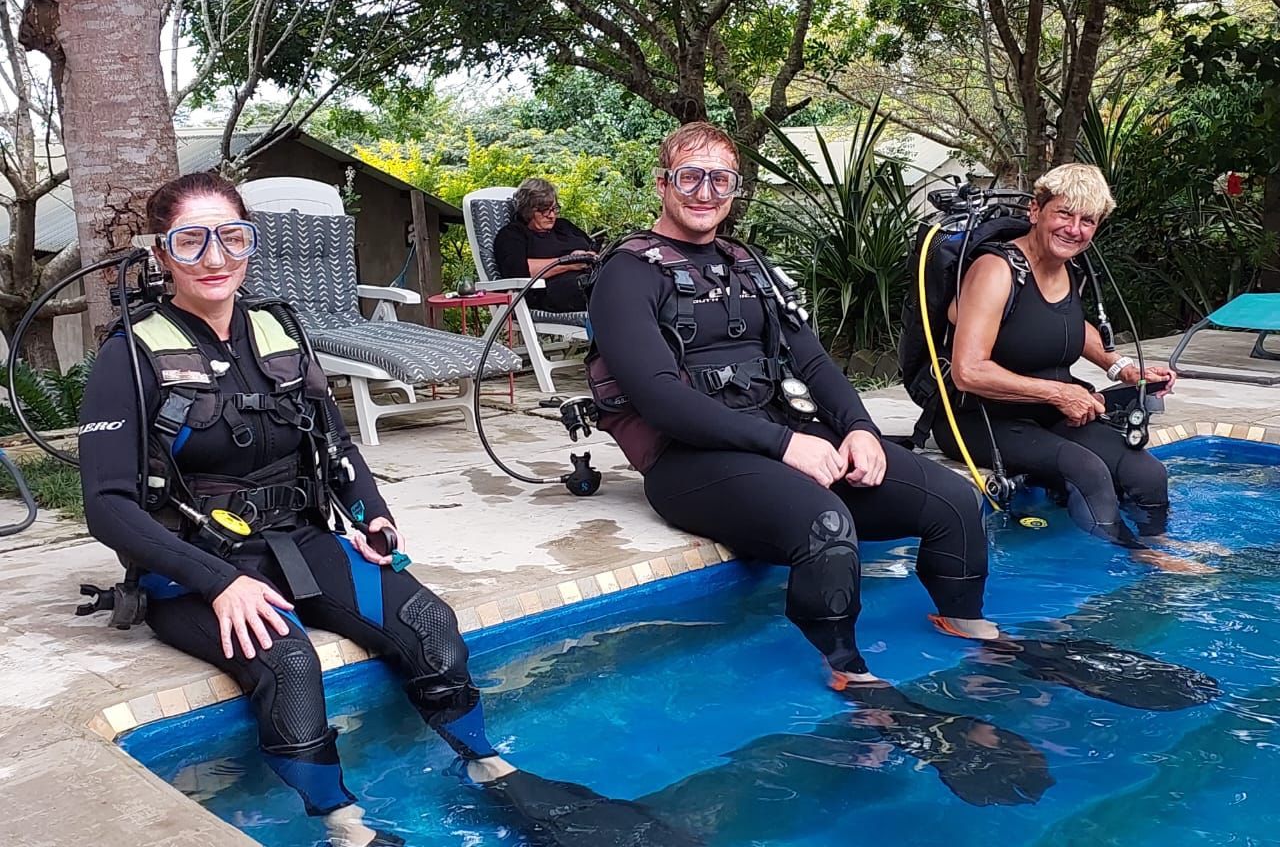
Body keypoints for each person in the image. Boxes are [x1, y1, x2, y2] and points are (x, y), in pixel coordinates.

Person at [77, 173, 696, 847]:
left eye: (232, 237)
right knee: (289, 666)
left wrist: (370, 513)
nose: (215, 257)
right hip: (196, 569)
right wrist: (218, 583)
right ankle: (345, 826)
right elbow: (107, 506)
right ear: (162, 253)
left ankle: (489, 768)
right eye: (190, 242)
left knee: (428, 621)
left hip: (298, 539)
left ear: (250, 241)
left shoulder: (278, 326)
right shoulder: (129, 354)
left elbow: (334, 441)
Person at [586, 123, 998, 687]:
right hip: (689, 460)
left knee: (953, 499)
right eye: (690, 177)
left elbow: (812, 362)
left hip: (784, 435)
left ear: (735, 189)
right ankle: (847, 669)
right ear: (663, 184)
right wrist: (785, 446)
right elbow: (659, 398)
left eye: (720, 179)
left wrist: (859, 429)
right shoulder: (627, 273)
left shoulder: (748, 266)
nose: (705, 192)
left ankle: (966, 625)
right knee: (824, 526)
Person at [938, 163, 1206, 572]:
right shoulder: (996, 271)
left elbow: (1066, 326)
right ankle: (1136, 563)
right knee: (1088, 471)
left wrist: (1122, 369)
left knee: (1147, 474)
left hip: (1050, 413)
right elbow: (969, 371)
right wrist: (1059, 392)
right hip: (981, 417)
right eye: (1064, 214)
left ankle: (1161, 541)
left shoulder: (1070, 268)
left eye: (1088, 220)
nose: (1074, 229)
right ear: (1035, 211)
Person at [493, 178, 597, 312]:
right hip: (550, 293)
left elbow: (593, 249)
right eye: (544, 210)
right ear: (527, 210)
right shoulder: (513, 235)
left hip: (590, 280)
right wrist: (569, 263)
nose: (552, 215)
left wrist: (589, 257)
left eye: (554, 209)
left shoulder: (564, 226)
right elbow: (518, 272)